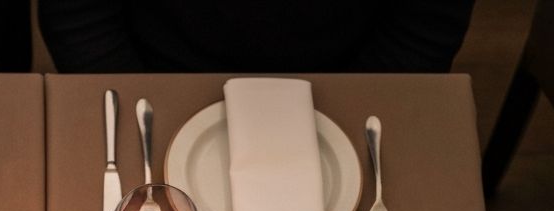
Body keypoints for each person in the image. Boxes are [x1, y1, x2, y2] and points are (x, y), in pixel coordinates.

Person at [39, 0, 475, 74]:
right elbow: (78, 16)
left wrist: (355, 104)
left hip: (346, 83)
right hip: (154, 76)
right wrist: (141, 100)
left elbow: (428, 23)